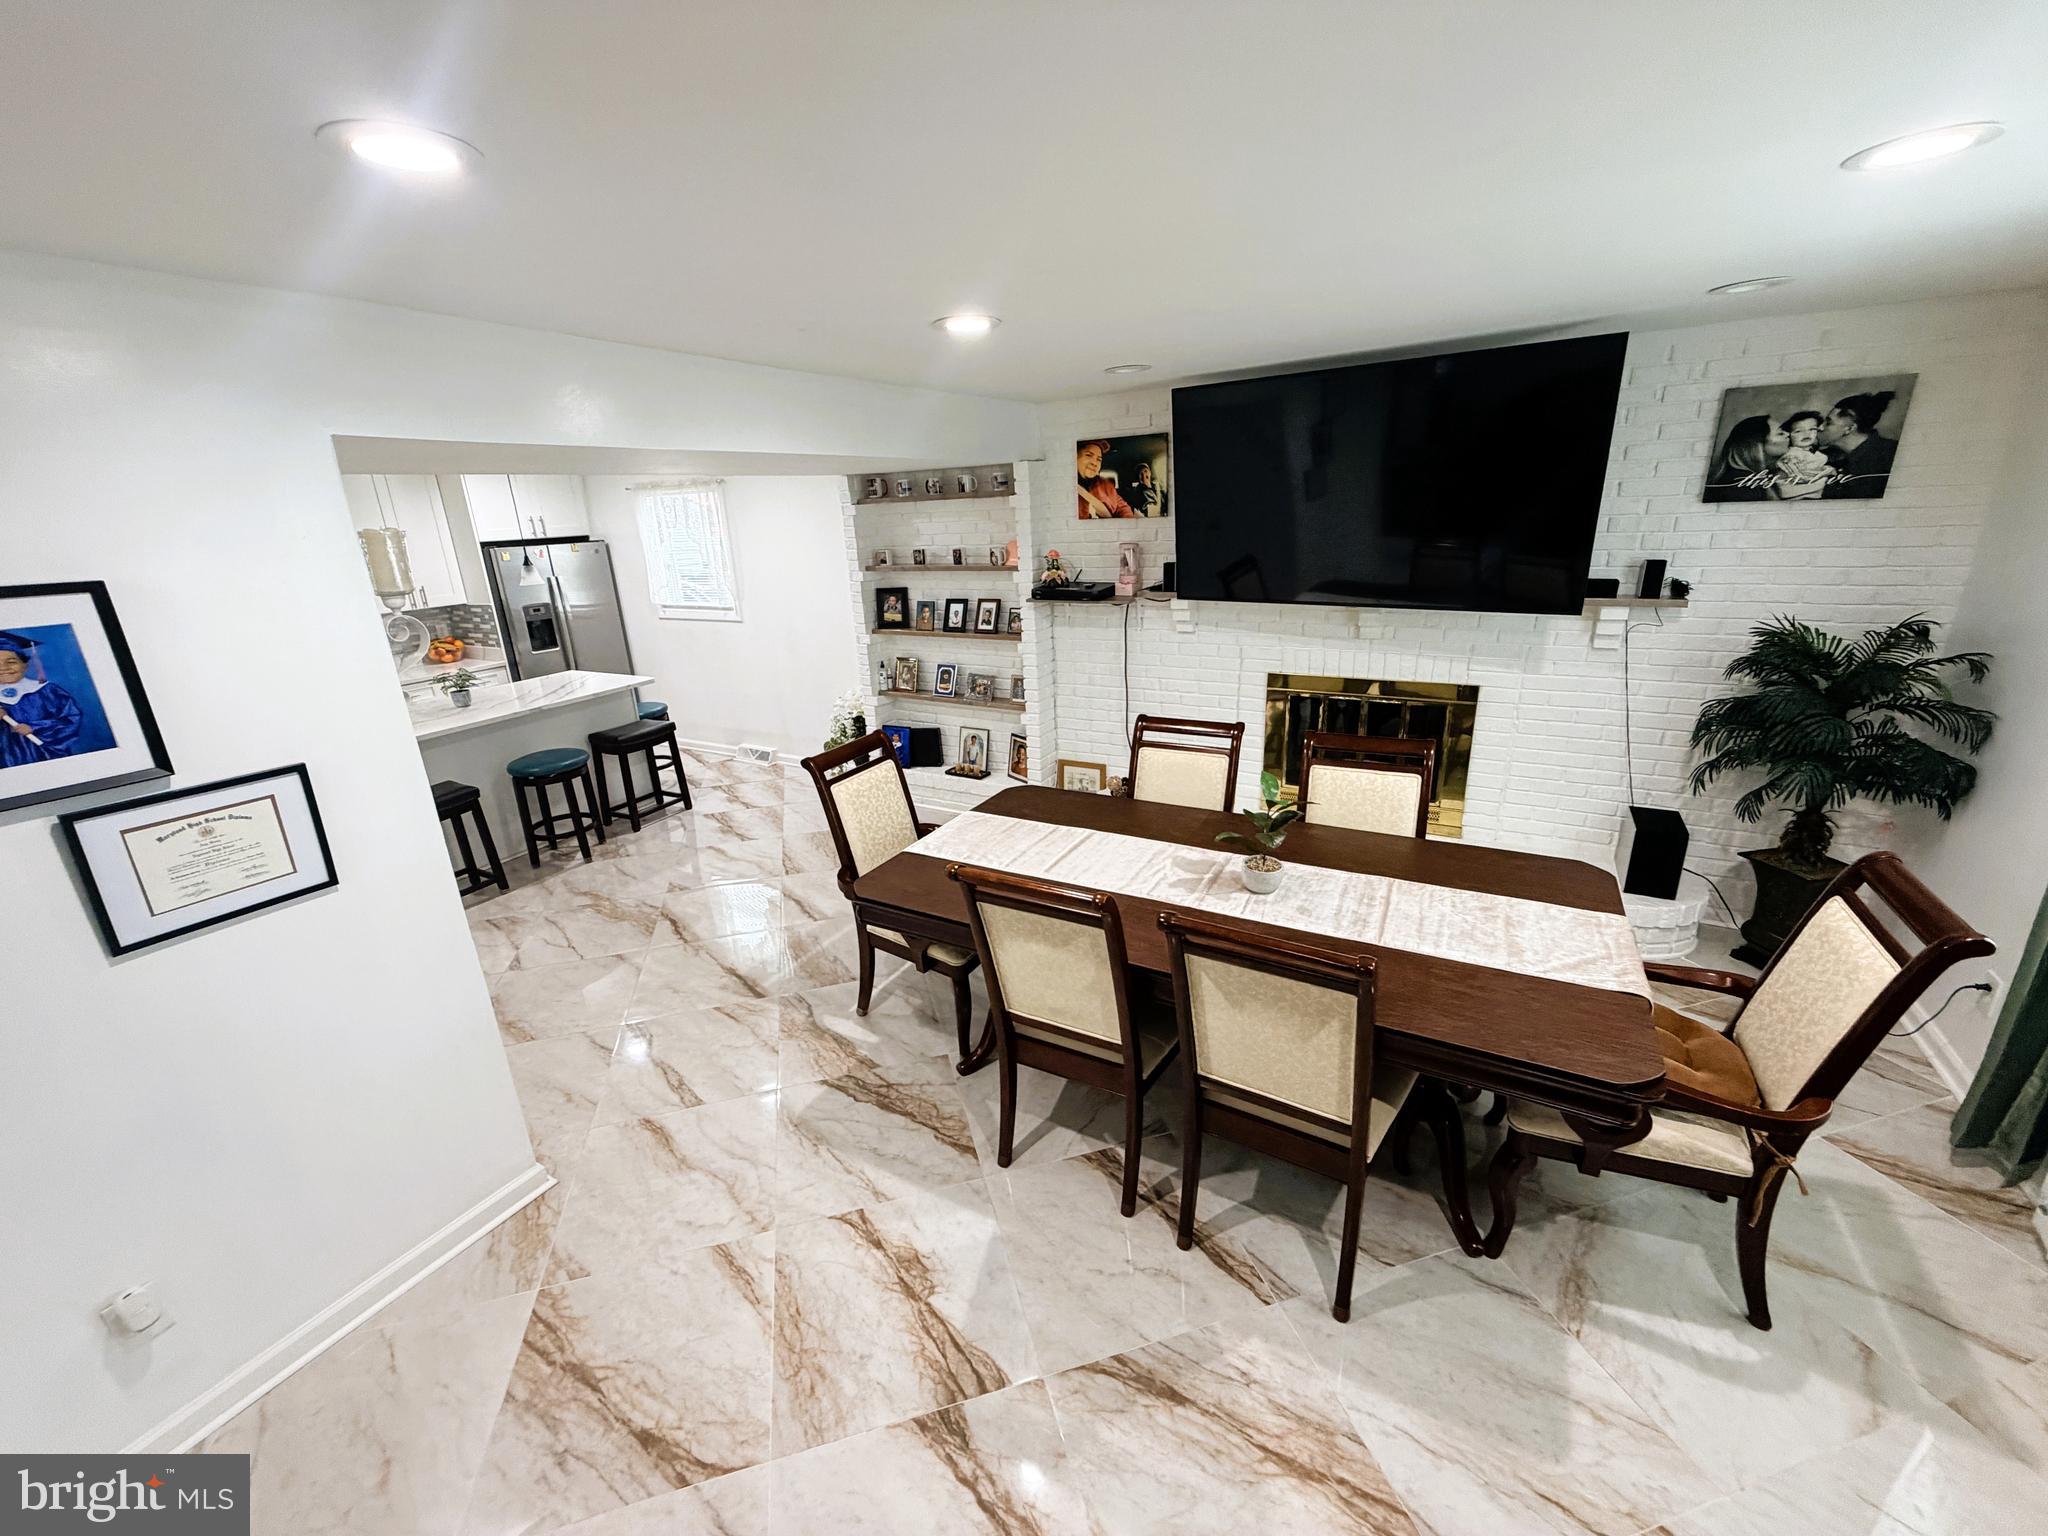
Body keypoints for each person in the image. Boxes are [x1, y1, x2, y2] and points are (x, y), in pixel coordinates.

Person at [0, 635, 87, 766]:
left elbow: (71, 719)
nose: (4, 668)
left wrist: (34, 727)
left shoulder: (48, 691)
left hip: (45, 755)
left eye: (11, 662)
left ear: (25, 665)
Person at [1818, 390, 1900, 498]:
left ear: (1850, 428)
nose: (1820, 427)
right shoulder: (1822, 458)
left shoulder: (1892, 455)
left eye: (1828, 423)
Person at [1703, 415, 1790, 501]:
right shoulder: (1741, 487)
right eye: (1780, 433)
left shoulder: (1754, 479)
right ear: (1756, 445)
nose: (1788, 434)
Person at [1770, 409, 1833, 499]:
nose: (1806, 434)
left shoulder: (1816, 454)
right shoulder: (1791, 456)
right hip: (1797, 495)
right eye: (1798, 431)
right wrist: (1826, 472)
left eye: (1812, 429)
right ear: (1789, 435)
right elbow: (1799, 477)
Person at [1076, 439, 1136, 518]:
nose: (1094, 463)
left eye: (1099, 459)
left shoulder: (1107, 486)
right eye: (1089, 455)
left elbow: (1124, 509)